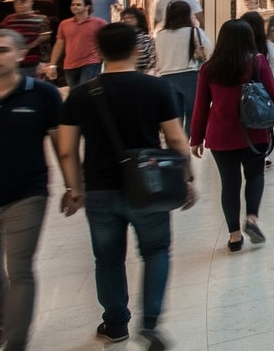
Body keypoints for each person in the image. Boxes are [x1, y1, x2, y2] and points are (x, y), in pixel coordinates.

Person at [57, 23, 195, 347]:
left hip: (100, 190)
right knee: (156, 250)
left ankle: (116, 323)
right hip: (150, 187)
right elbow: (176, 139)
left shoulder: (80, 94)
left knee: (107, 258)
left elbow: (66, 149)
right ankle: (151, 322)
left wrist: (74, 189)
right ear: (137, 50)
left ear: (99, 52)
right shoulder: (156, 89)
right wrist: (186, 178)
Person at [0, 30, 64, 351]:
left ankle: (15, 342)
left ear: (20, 55)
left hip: (27, 193)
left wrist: (74, 184)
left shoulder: (44, 94)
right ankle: (1, 323)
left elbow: (63, 145)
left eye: (1, 50)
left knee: (19, 269)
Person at [190, 20, 274, 251]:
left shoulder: (209, 68)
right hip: (253, 131)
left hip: (220, 135)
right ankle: (252, 218)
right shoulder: (256, 62)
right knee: (255, 175)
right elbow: (273, 95)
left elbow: (200, 106)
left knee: (230, 183)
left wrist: (196, 138)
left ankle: (234, 235)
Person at [151, 0, 208, 138]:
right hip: (190, 75)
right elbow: (208, 51)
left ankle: (175, 143)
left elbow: (157, 56)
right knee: (192, 113)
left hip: (166, 77)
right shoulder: (194, 31)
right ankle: (189, 142)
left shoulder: (160, 35)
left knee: (173, 115)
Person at [48, 0, 106, 87]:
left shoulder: (99, 23)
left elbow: (106, 41)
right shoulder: (64, 24)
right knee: (74, 93)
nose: (74, 7)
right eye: (73, 4)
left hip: (91, 62)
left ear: (87, 7)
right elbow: (59, 44)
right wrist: (52, 64)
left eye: (78, 5)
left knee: (85, 91)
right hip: (69, 63)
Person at [0, 0, 51, 78]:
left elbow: (45, 41)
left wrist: (45, 64)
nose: (19, 4)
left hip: (32, 63)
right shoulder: (8, 19)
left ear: (31, 2)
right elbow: (1, 38)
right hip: (11, 62)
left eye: (23, 1)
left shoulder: (42, 19)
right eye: (16, 1)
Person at [122, 7, 157, 73]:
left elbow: (151, 56)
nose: (128, 20)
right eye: (125, 18)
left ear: (138, 19)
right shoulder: (121, 37)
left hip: (142, 71)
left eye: (131, 17)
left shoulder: (144, 37)